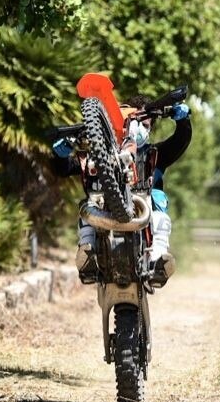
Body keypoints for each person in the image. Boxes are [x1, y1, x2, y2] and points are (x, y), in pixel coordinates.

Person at [51, 93, 191, 285]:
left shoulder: (155, 155)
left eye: (145, 125)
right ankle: (87, 254)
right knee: (88, 203)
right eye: (132, 122)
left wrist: (183, 121)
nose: (138, 129)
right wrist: (60, 155)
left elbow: (180, 141)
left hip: (144, 211)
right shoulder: (100, 156)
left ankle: (158, 258)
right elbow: (64, 168)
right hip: (102, 212)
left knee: (158, 197)